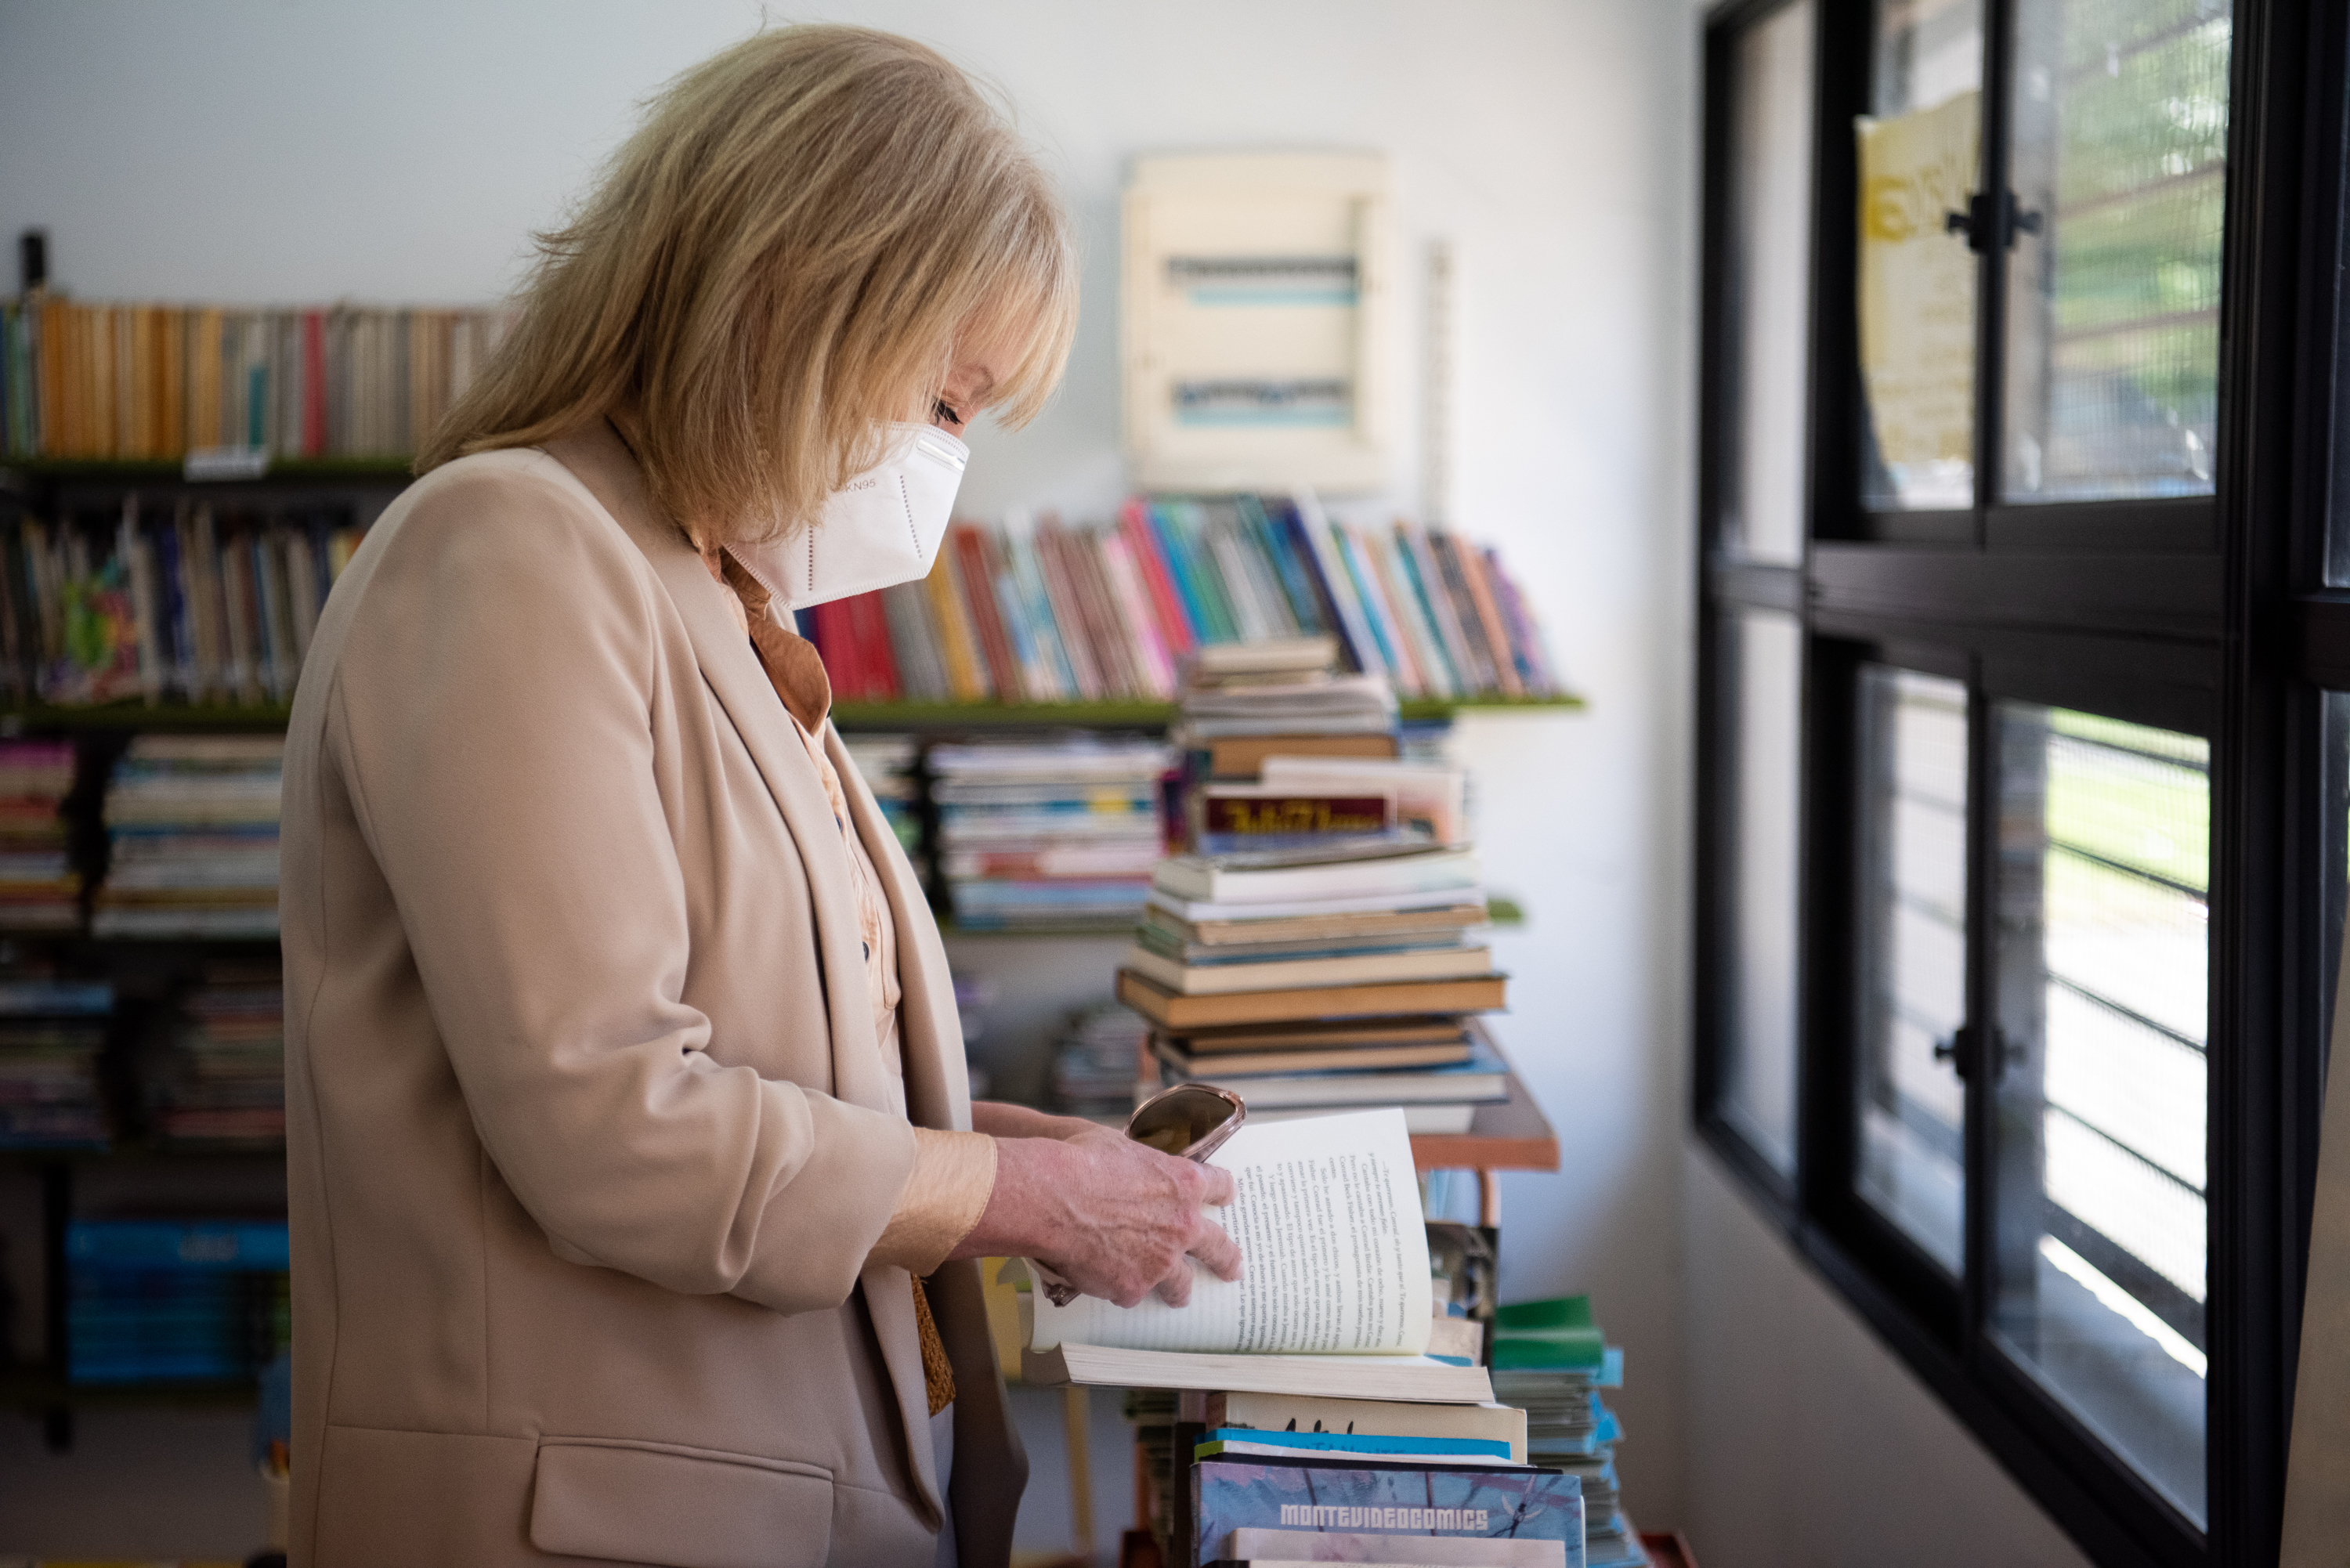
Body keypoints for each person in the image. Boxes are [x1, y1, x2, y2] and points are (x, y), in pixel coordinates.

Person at [279, 26, 1241, 1568]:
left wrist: (1048, 1169)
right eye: (947, 396)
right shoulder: (516, 545)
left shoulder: (726, 604)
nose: (950, 457)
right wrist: (1013, 1194)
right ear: (795, 297)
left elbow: (790, 1078)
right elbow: (616, 1120)